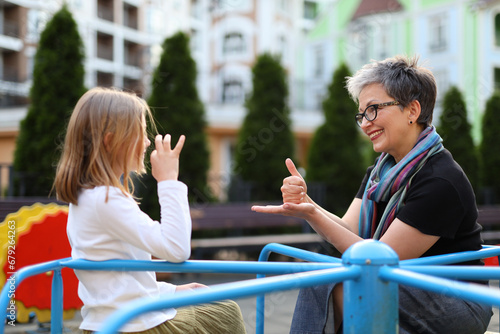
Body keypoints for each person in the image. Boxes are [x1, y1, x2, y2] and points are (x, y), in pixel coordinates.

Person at [252, 55, 492, 334]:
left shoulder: (440, 179)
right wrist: (308, 206)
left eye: (374, 109)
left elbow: (375, 258)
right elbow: (348, 230)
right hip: (411, 286)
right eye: (362, 114)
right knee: (332, 282)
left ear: (412, 110)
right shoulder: (381, 172)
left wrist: (314, 212)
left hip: (458, 302)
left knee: (330, 280)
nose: (365, 123)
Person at [53, 87, 246, 334]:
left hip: (118, 319)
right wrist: (168, 181)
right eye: (140, 133)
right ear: (111, 141)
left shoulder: (89, 196)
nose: (146, 142)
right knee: (226, 312)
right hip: (134, 326)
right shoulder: (105, 199)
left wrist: (172, 290)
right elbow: (177, 249)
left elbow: (120, 280)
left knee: (221, 307)